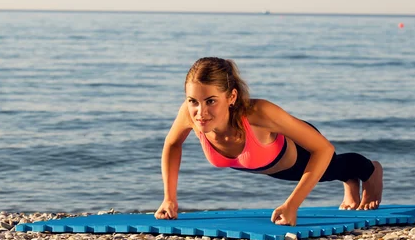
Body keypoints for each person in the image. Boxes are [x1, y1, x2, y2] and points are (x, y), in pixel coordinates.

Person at [154, 57, 383, 226]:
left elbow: (323, 148)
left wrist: (292, 205)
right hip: (267, 165)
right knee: (333, 170)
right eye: (193, 100)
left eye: (211, 101)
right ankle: (350, 181)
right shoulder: (189, 113)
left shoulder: (258, 114)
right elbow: (172, 144)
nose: (200, 112)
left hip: (298, 151)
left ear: (231, 97)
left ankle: (371, 172)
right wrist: (169, 199)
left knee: (331, 167)